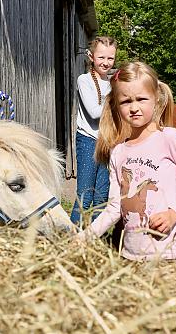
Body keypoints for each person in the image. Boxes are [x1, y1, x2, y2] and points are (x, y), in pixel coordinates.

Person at [78, 61, 176, 260]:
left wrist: (174, 214)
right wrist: (84, 237)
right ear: (116, 105)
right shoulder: (118, 151)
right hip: (130, 255)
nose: (134, 108)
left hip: (167, 254)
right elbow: (114, 207)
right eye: (125, 101)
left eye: (141, 99)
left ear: (156, 99)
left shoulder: (168, 138)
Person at [70, 36, 118, 225]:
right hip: (88, 141)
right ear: (91, 56)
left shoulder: (113, 83)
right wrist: (116, 96)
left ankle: (94, 240)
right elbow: (94, 112)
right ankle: (72, 238)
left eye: (110, 58)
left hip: (108, 142)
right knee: (85, 194)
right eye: (101, 58)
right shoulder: (84, 80)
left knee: (101, 196)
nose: (106, 63)